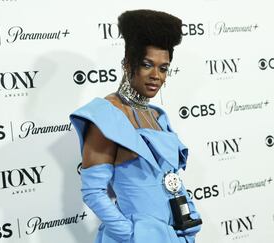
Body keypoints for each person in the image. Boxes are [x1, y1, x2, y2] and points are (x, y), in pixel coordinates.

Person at [70, 9, 202, 243]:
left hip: (175, 233)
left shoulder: (157, 116)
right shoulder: (106, 116)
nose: (156, 76)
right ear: (127, 64)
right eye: (147, 65)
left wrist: (188, 213)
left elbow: (170, 179)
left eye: (163, 68)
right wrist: (130, 234)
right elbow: (93, 192)